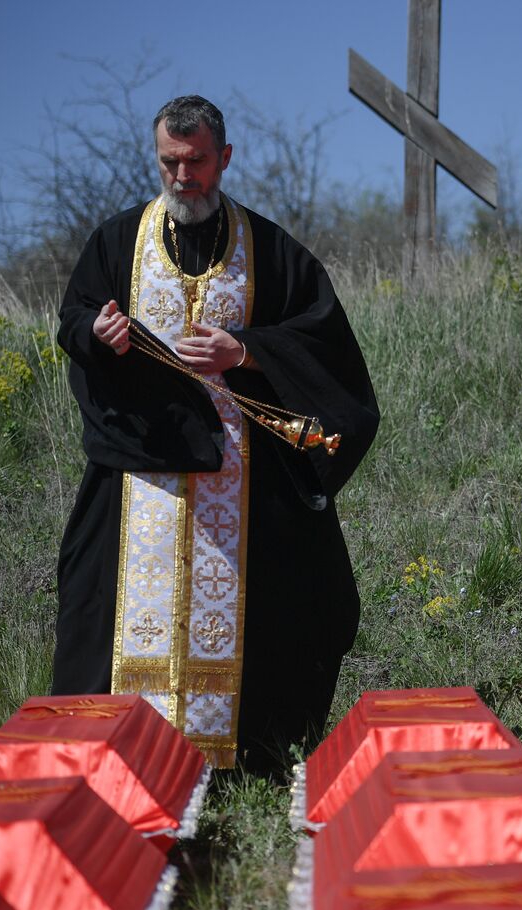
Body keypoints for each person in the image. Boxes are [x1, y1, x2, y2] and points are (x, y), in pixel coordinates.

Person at [52, 95, 379, 775]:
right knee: (101, 601)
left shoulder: (270, 250)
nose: (182, 176)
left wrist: (248, 352)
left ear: (223, 158)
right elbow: (76, 316)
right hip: (142, 477)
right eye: (169, 161)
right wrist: (96, 333)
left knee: (277, 607)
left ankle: (246, 759)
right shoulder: (117, 243)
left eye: (196, 161)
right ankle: (126, 762)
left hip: (243, 478)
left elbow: (325, 344)